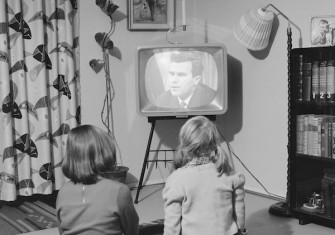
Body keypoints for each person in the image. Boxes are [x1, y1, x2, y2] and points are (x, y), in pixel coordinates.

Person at [162, 116, 247, 235]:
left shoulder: (176, 180)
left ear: (184, 145)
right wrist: (241, 230)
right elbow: (239, 212)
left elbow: (172, 224)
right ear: (213, 144)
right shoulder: (230, 174)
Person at [56, 125, 139, 235]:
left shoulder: (63, 191)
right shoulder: (119, 190)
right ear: (105, 152)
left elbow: (61, 230)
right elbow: (132, 230)